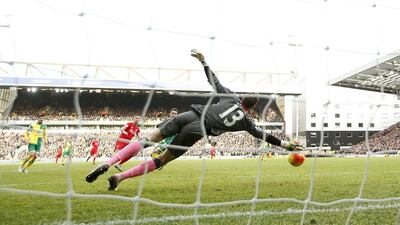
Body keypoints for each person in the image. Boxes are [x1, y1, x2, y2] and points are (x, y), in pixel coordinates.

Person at [86, 49, 303, 190]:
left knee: (147, 138)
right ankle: (120, 178)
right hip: (197, 131)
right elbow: (263, 135)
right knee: (161, 160)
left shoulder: (230, 97)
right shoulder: (246, 121)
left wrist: (204, 61)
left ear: (241, 97)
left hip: (189, 115)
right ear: (252, 107)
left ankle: (109, 162)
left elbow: (214, 81)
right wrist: (285, 144)